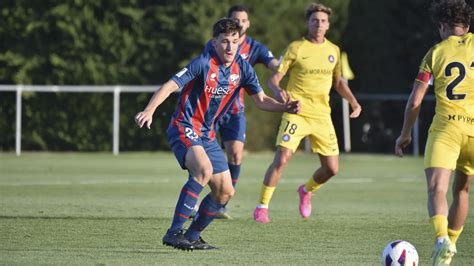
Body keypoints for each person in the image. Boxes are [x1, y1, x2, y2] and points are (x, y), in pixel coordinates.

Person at [135, 18, 300, 250]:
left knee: (225, 191)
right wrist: (149, 110)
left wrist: (285, 107)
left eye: (234, 41)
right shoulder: (203, 63)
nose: (230, 47)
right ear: (214, 42)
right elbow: (171, 84)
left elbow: (261, 101)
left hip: (207, 135)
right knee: (204, 170)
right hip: (185, 126)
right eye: (225, 42)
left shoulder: (243, 68)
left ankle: (191, 237)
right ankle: (174, 233)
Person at [253, 2, 362, 223]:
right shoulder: (296, 47)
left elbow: (338, 82)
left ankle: (306, 190)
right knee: (282, 159)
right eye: (315, 20)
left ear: (328, 25)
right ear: (308, 23)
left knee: (332, 169)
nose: (319, 24)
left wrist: (354, 102)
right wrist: (279, 92)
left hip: (322, 116)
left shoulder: (333, 51)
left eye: (323, 21)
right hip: (297, 112)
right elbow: (273, 79)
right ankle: (262, 207)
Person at [394, 0, 473, 265]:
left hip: (447, 130)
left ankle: (442, 239)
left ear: (442, 26)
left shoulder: (435, 53)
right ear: (467, 25)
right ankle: (446, 255)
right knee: (462, 191)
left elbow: (415, 101)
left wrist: (405, 134)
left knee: (437, 189)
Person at [201, 4, 280, 219]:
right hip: (210, 110)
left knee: (235, 154)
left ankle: (222, 203)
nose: (240, 24)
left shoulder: (255, 47)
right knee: (201, 158)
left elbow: (274, 63)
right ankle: (198, 200)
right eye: (235, 20)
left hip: (235, 110)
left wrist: (283, 66)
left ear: (248, 23)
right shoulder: (215, 45)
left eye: (243, 21)